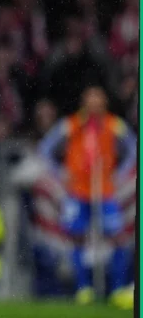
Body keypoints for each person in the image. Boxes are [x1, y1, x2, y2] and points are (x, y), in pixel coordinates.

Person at [38, 86, 136, 308]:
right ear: (84, 103)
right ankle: (83, 288)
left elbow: (133, 148)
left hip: (105, 190)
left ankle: (118, 289)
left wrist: (119, 174)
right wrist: (61, 173)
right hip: (78, 191)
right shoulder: (71, 124)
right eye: (90, 102)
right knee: (76, 238)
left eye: (98, 102)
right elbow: (46, 148)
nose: (94, 106)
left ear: (104, 104)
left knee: (118, 237)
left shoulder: (113, 124)